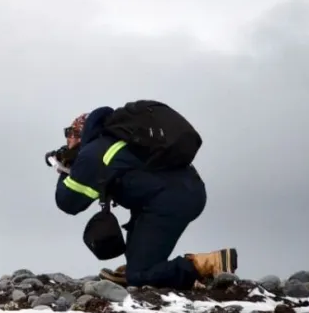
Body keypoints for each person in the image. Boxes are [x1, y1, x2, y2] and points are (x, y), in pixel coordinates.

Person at [54, 106, 237, 290]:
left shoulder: (94, 154)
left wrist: (65, 167)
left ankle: (206, 264)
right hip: (179, 192)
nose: (67, 139)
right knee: (138, 260)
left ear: (79, 134)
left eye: (70, 133)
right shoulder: (118, 139)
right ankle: (139, 270)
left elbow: (68, 201)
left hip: (172, 200)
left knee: (141, 276)